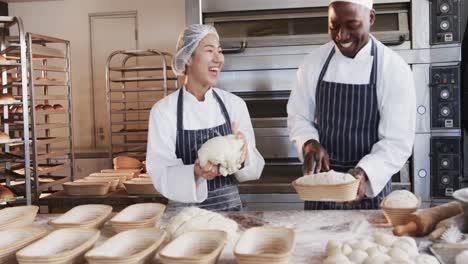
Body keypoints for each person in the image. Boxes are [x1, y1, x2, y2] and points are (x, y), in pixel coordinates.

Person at [287, 0, 416, 210]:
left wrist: (364, 172)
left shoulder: (393, 68)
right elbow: (298, 116)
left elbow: (397, 140)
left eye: (352, 25)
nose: (341, 35)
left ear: (371, 18)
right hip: (323, 187)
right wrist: (309, 142)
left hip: (371, 187)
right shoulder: (313, 62)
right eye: (334, 25)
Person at [146, 24, 265, 211]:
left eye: (220, 51)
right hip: (184, 217)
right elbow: (160, 171)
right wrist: (194, 172)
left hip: (230, 214)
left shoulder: (234, 105)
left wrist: (243, 155)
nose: (218, 59)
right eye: (209, 50)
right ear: (188, 58)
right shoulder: (163, 111)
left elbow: (254, 168)